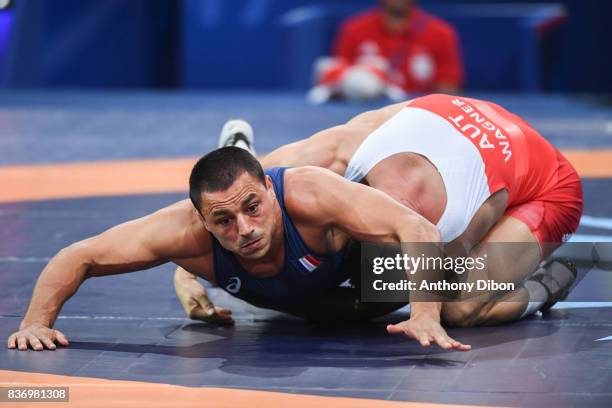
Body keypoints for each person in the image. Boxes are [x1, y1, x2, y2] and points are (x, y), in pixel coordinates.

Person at [183, 93, 582, 332]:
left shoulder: (436, 220)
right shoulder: (331, 153)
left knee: (457, 306)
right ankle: (241, 148)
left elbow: (372, 304)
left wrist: (252, 288)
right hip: (453, 116)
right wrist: (191, 263)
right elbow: (233, 196)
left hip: (546, 184)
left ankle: (552, 282)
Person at [7, 146, 469, 352]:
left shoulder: (307, 193)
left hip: (357, 257)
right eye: (223, 221)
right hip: (302, 296)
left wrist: (426, 312)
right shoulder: (181, 230)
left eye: (252, 207)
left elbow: (418, 229)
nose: (244, 229)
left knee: (465, 302)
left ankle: (535, 286)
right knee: (337, 314)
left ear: (270, 190)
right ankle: (190, 272)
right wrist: (35, 324)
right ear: (202, 220)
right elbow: (78, 255)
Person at [318, 0, 464, 97]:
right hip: (363, 113)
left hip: (416, 115)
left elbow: (448, 88)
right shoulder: (354, 29)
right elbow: (340, 79)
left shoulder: (441, 33)